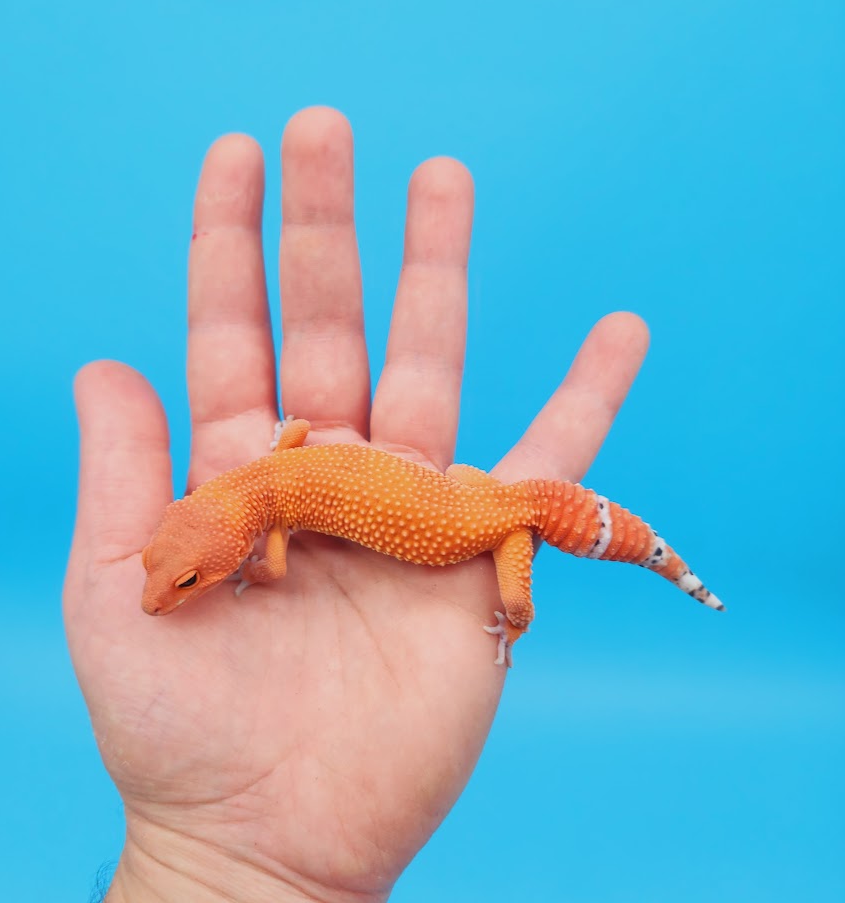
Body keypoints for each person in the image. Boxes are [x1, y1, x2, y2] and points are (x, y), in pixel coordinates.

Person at [64, 106, 649, 902]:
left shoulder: (262, 526)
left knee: (512, 595)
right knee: (493, 491)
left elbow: (268, 568)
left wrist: (509, 616)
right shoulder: (271, 470)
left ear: (219, 539)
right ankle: (631, 556)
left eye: (185, 582)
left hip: (484, 531)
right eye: (171, 580)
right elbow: (297, 425)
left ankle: (566, 595)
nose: (160, 597)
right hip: (474, 493)